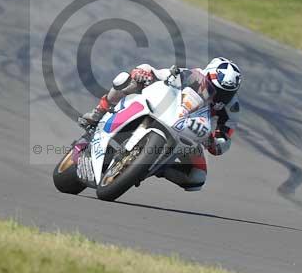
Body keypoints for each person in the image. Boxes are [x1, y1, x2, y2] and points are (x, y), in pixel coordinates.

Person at [79, 57, 241, 191]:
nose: (219, 95)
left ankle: (155, 167)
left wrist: (216, 143)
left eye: (226, 93)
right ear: (207, 76)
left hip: (191, 131)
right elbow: (159, 73)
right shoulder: (192, 75)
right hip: (166, 107)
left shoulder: (231, 107)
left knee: (197, 177)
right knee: (127, 80)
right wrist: (144, 73)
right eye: (215, 89)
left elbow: (225, 135)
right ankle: (99, 111)